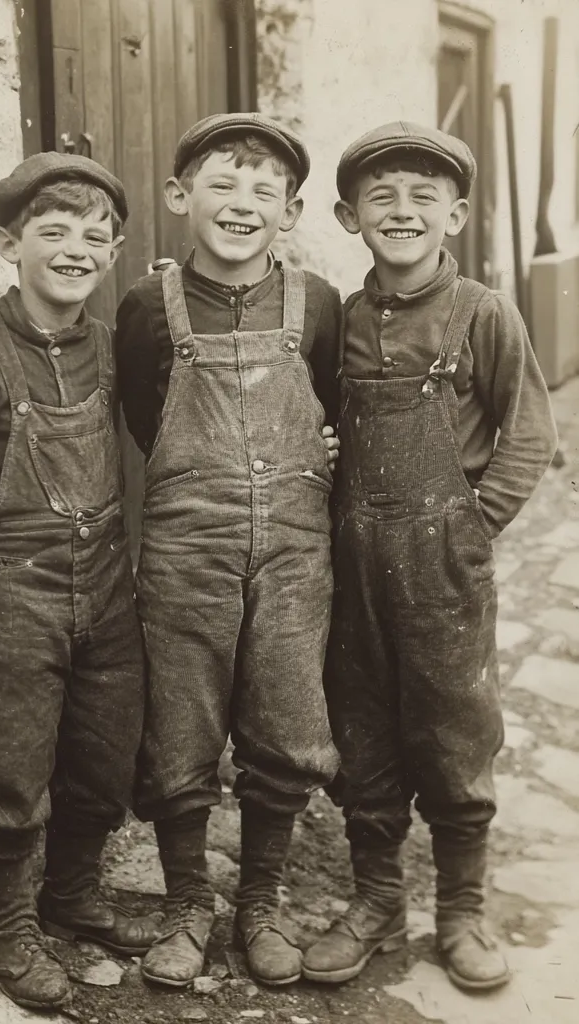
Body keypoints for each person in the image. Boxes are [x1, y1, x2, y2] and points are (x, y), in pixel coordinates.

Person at [302, 121, 558, 993]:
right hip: (356, 564)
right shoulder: (338, 317)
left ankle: (461, 909)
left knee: (455, 734)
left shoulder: (485, 312)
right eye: (381, 197)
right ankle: (376, 902)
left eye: (422, 197)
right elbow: (324, 421)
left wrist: (473, 526)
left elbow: (529, 436)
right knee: (362, 732)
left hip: (445, 567)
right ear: (349, 217)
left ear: (454, 214)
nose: (401, 211)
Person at [0, 153, 159, 1011]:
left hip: (110, 591)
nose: (76, 249)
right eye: (54, 232)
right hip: (17, 594)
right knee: (12, 767)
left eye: (96, 236)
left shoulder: (114, 349)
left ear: (115, 251)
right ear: (11, 244)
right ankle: (11, 928)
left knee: (105, 750)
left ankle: (73, 894)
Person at [115, 112, 341, 989]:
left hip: (294, 547)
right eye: (222, 182)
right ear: (182, 196)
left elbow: (332, 407)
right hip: (185, 545)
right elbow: (145, 415)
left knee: (285, 721)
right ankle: (186, 903)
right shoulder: (146, 306)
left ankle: (259, 899)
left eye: (264, 190)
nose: (242, 203)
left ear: (288, 210)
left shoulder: (316, 302)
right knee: (181, 724)